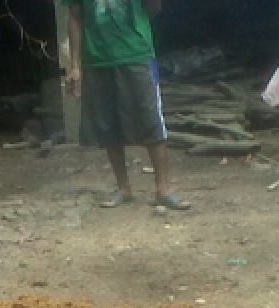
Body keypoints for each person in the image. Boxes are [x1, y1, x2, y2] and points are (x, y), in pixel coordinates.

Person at [64, 0, 190, 211]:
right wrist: (75, 65)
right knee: (108, 124)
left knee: (151, 119)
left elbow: (154, 8)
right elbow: (75, 17)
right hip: (97, 59)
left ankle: (163, 190)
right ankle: (124, 188)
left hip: (136, 53)